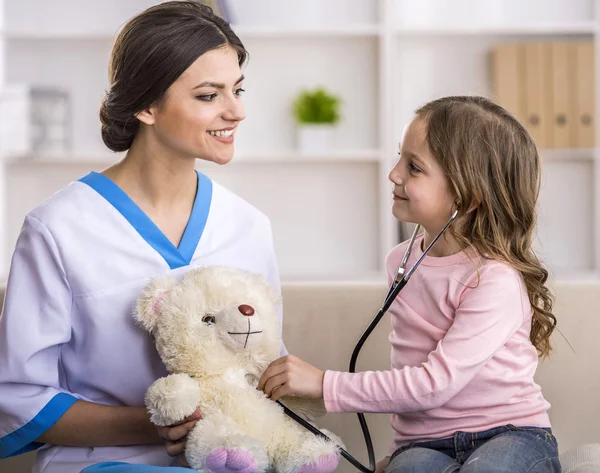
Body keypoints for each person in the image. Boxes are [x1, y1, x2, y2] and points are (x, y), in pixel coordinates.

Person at [0, 2, 286, 472]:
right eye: (208, 95)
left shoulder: (248, 226)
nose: (237, 111)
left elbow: (260, 360)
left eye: (237, 89)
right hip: (104, 461)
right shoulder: (58, 229)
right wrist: (152, 424)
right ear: (145, 105)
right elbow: (20, 397)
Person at [258, 96, 562, 473]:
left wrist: (324, 384)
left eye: (414, 167)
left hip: (509, 435)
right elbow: (408, 363)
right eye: (400, 158)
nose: (394, 174)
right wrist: (402, 455)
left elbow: (433, 384)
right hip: (426, 443)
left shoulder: (494, 279)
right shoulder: (399, 261)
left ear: (469, 197)